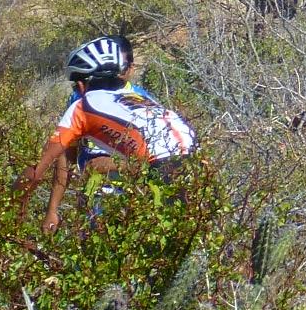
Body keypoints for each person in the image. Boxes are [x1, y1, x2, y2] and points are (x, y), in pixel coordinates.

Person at [19, 36, 198, 235]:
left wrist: (9, 207)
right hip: (196, 171)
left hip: (150, 178)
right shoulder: (143, 100)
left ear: (81, 85)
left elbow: (37, 167)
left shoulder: (83, 104)